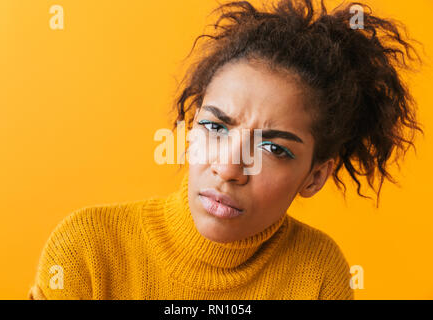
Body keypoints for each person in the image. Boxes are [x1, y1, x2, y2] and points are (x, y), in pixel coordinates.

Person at [28, 0, 423, 300]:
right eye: (215, 127)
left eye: (272, 147)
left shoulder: (319, 275)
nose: (229, 168)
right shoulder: (87, 252)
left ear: (315, 175)